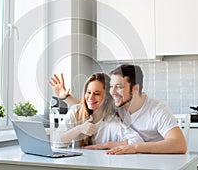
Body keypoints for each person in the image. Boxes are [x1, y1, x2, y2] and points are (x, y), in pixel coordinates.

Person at [50, 64, 187, 154]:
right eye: (111, 87)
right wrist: (65, 97)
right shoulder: (116, 103)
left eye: (119, 87)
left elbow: (179, 144)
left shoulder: (157, 109)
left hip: (155, 161)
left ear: (135, 89)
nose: (112, 92)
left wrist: (131, 147)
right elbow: (89, 104)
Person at [49, 72, 143, 148]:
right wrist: (79, 129)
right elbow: (56, 142)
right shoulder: (75, 112)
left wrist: (106, 145)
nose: (90, 98)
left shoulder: (111, 121)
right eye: (88, 92)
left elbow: (137, 141)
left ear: (107, 97)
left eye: (97, 94)